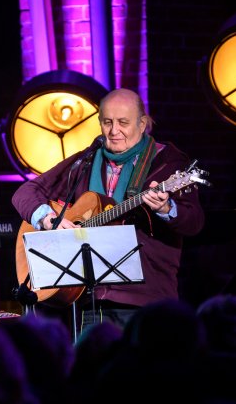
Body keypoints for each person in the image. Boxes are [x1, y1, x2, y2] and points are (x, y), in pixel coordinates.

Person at [11, 88, 204, 328]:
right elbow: (25, 193)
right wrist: (48, 219)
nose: (114, 131)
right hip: (87, 299)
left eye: (123, 123)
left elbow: (194, 221)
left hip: (146, 299)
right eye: (107, 122)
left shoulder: (168, 163)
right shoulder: (85, 161)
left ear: (142, 123)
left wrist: (167, 209)